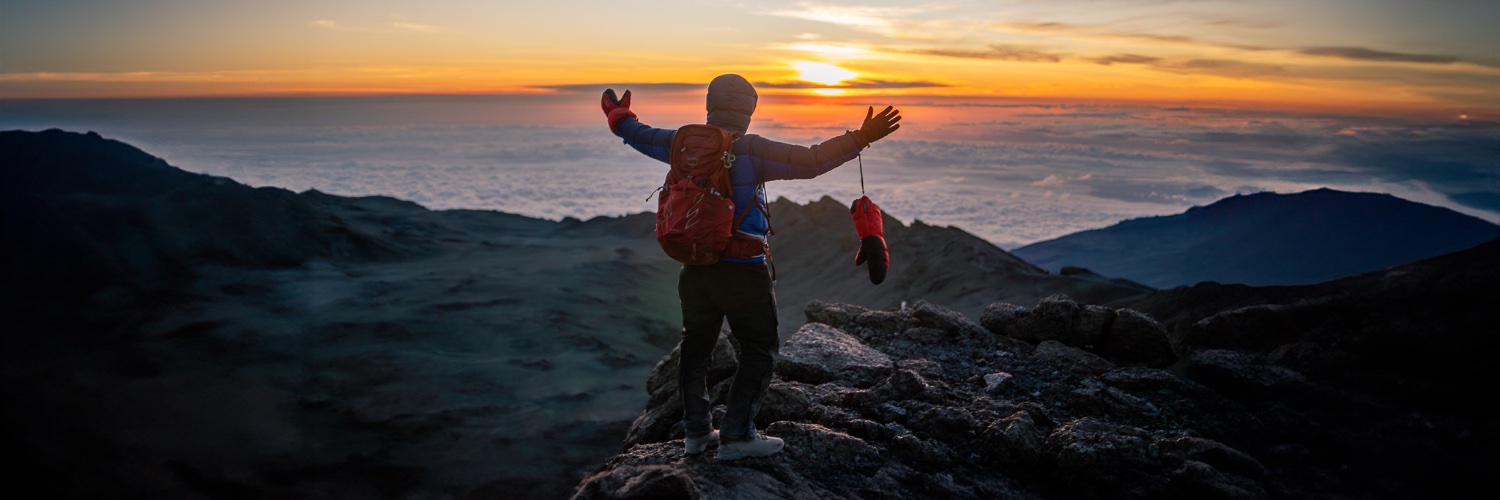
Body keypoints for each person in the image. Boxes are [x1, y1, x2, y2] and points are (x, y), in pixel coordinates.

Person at [600, 74, 902, 461]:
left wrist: (618, 114)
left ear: (710, 105)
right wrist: (861, 137)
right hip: (743, 269)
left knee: (696, 346)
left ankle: (696, 434)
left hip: (694, 267)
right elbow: (812, 160)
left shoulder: (681, 144)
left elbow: (636, 133)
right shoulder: (752, 150)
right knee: (758, 349)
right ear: (749, 109)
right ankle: (737, 437)